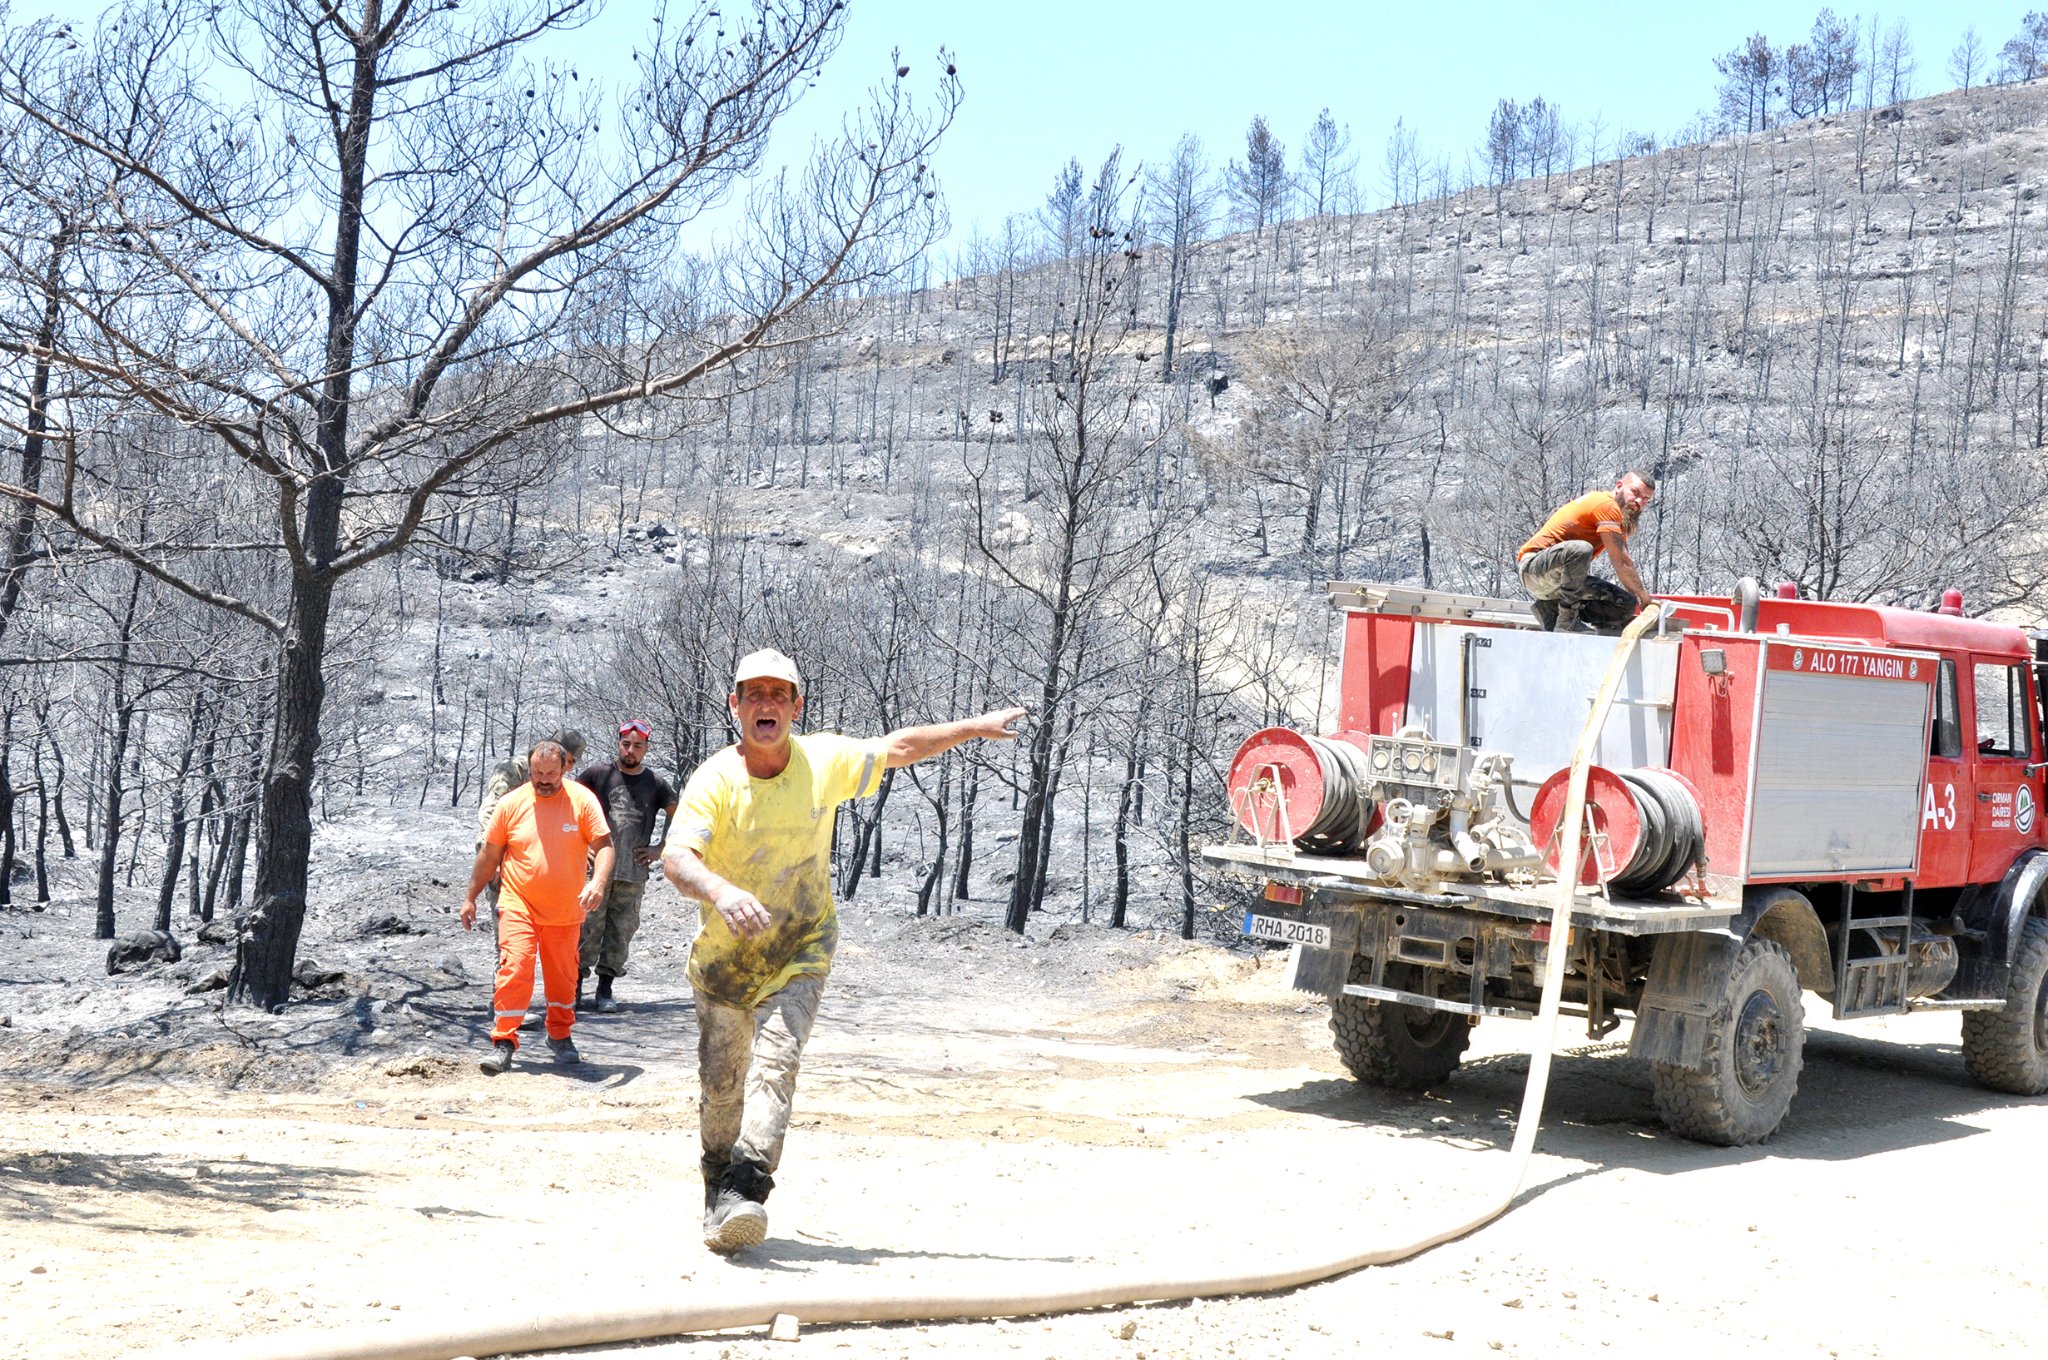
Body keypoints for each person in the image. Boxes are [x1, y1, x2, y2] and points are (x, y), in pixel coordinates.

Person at [663, 648, 1024, 1253]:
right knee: (722, 1087)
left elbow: (899, 747)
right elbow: (677, 858)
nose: (767, 704)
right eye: (754, 693)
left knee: (778, 1059)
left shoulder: (821, 760)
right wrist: (721, 892)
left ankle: (747, 1188)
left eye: (780, 694)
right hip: (725, 961)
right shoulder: (714, 780)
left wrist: (973, 728)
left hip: (802, 943)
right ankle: (716, 1191)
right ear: (735, 705)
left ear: (796, 707)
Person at [461, 739, 615, 1076]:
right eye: (536, 773)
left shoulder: (582, 800)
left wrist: (598, 883)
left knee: (562, 981)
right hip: (519, 902)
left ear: (565, 768)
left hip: (565, 910)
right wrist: (470, 897)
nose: (544, 779)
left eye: (550, 773)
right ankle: (503, 1042)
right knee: (515, 968)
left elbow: (604, 846)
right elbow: (489, 854)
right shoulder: (511, 804)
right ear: (528, 769)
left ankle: (560, 1035)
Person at [574, 719, 679, 1013]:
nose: (630, 750)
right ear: (618, 743)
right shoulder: (598, 774)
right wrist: (579, 845)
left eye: (637, 746)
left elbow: (678, 812)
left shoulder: (655, 783)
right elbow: (569, 802)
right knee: (586, 929)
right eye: (626, 744)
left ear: (646, 749)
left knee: (621, 931)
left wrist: (660, 848)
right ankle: (574, 989)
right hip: (595, 873)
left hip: (633, 872)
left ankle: (605, 991)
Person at [1516, 470, 1657, 633]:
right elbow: (1621, 563)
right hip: (1534, 569)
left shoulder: (1618, 519)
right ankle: (1567, 622)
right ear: (1619, 486)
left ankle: (1550, 610)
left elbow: (1624, 565)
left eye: (1646, 499)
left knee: (1625, 604)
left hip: (1560, 580)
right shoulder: (1606, 505)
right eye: (1635, 492)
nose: (1639, 502)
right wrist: (1645, 597)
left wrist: (1637, 600)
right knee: (1581, 550)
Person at [475, 729, 587, 923]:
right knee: (509, 938)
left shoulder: (561, 781)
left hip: (542, 870)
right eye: (569, 760)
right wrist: (494, 862)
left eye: (572, 763)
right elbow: (489, 814)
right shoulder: (513, 770)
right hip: (507, 863)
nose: (568, 768)